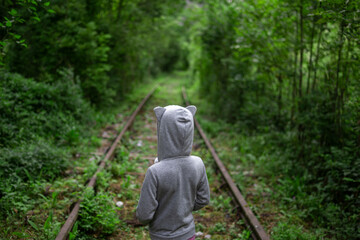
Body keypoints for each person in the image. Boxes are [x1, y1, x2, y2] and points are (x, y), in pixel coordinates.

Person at [136, 105, 210, 240]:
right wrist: (182, 209)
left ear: (163, 130)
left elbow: (144, 215)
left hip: (161, 236)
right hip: (188, 234)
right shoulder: (198, 163)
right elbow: (204, 199)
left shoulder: (155, 171)